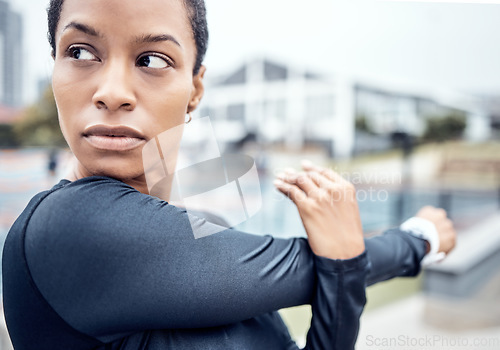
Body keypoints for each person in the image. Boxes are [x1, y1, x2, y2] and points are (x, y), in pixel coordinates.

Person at [1, 0, 456, 349]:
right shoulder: (68, 228)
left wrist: (343, 261)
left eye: (152, 59)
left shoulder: (203, 232)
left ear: (195, 89)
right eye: (80, 51)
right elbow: (309, 269)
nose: (113, 92)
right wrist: (421, 239)